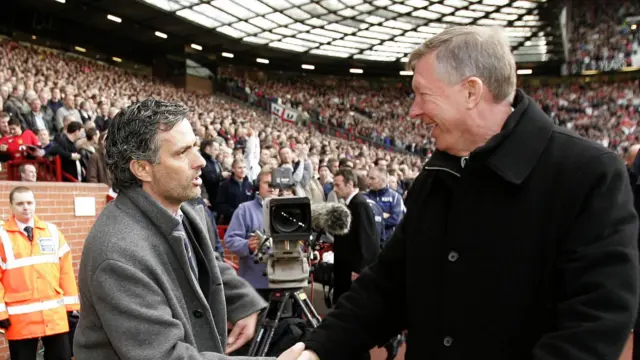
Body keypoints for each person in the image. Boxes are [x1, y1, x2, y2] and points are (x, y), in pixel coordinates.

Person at [292, 25, 640, 360]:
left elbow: (594, 321)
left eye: (422, 94)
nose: (413, 111)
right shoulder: (437, 174)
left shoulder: (589, 173)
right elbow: (388, 284)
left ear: (472, 92)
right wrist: (318, 348)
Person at [73, 99, 306, 360]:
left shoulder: (184, 209)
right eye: (182, 153)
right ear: (141, 168)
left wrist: (243, 301)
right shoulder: (118, 255)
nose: (200, 161)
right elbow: (165, 355)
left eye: (195, 146)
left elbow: (207, 262)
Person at [0, 186, 79, 360]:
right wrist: (0, 313)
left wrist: (72, 308)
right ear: (11, 206)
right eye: (20, 203)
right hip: (20, 319)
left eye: (29, 202)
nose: (25, 207)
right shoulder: (2, 236)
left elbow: (65, 271)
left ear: (35, 204)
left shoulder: (52, 231)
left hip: (54, 316)